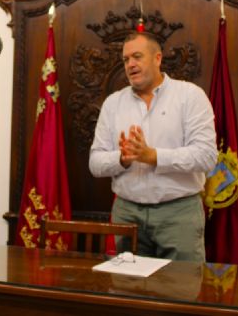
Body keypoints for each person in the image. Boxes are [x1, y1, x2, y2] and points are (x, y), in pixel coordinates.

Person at [89, 32, 217, 262]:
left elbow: (206, 156)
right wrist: (122, 159)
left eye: (137, 56)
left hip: (179, 214)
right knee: (128, 291)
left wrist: (153, 156)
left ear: (157, 58)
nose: (130, 64)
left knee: (180, 291)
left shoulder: (190, 97)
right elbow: (95, 163)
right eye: (126, 59)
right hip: (127, 214)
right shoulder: (113, 103)